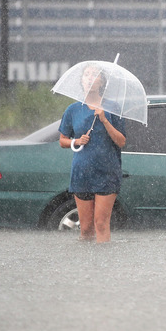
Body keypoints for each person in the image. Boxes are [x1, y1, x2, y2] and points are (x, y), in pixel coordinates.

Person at [58, 64, 127, 243]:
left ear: (102, 81)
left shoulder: (113, 108)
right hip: (82, 173)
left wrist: (104, 119)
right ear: (82, 80)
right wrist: (76, 141)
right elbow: (62, 140)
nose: (90, 78)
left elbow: (121, 141)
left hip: (107, 172)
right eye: (86, 75)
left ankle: (103, 264)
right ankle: (86, 265)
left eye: (95, 75)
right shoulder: (73, 109)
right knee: (86, 227)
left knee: (101, 223)